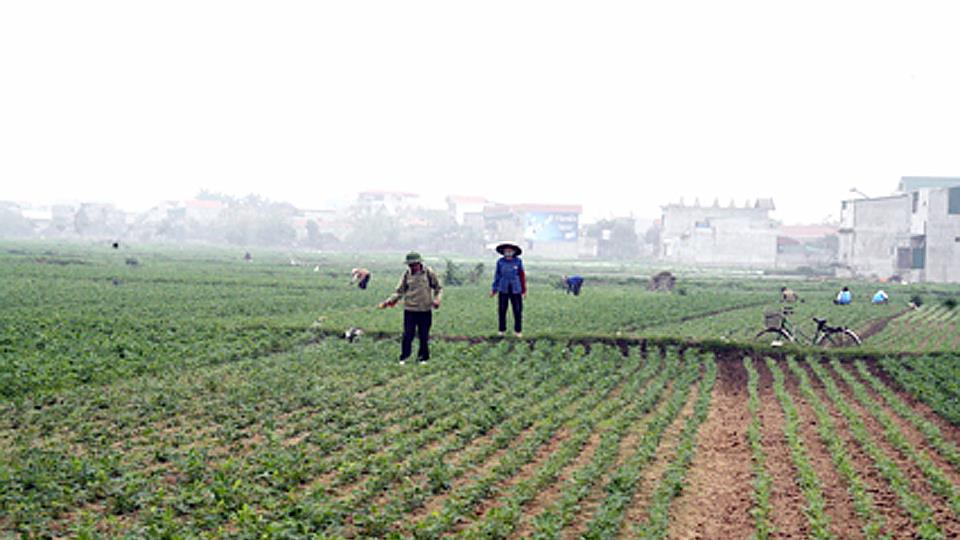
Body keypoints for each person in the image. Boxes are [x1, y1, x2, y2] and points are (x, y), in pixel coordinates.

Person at [379, 252, 442, 365]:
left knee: (424, 335)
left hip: (425, 310)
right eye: (410, 265)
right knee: (408, 334)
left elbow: (438, 288)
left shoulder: (428, 273)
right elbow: (399, 292)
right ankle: (404, 357)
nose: (412, 267)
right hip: (410, 310)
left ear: (419, 263)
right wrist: (388, 301)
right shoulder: (407, 275)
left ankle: (423, 358)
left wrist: (437, 299)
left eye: (414, 264)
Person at [491, 242, 526, 337]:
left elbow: (522, 276)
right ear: (503, 252)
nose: (508, 252)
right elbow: (497, 276)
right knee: (502, 310)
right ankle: (501, 330)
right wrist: (494, 289)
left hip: (516, 289)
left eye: (510, 251)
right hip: (503, 289)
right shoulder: (500, 262)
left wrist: (523, 290)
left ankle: (518, 331)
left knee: (517, 310)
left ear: (514, 252)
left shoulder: (518, 262)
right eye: (506, 251)